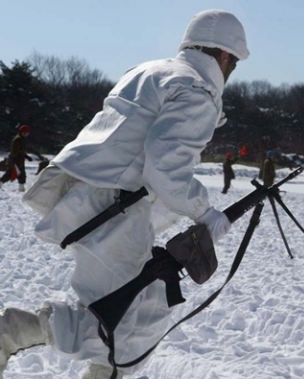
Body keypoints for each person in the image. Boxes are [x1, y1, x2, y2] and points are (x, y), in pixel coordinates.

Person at [1, 9, 249, 379]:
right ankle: (12, 331)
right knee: (123, 332)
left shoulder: (151, 71)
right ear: (226, 56)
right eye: (235, 63)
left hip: (93, 201)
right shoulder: (197, 90)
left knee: (144, 310)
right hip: (112, 209)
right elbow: (164, 168)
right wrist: (205, 212)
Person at [0, 124, 32, 192]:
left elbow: (21, 151)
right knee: (10, 174)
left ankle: (21, 189)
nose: (27, 134)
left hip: (20, 160)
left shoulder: (22, 139)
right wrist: (14, 160)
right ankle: (0, 183)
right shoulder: (18, 139)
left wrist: (26, 156)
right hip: (14, 160)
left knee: (22, 174)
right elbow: (14, 150)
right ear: (22, 132)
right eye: (26, 133)